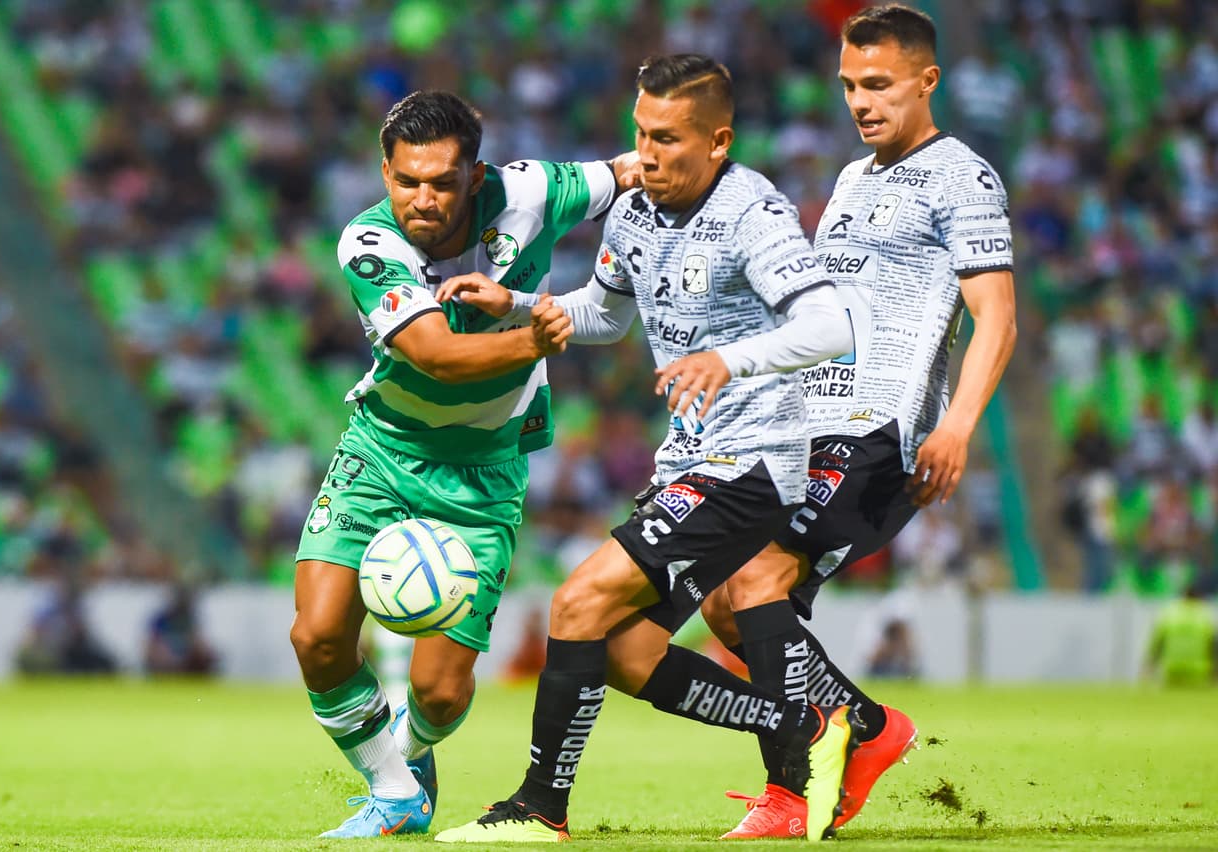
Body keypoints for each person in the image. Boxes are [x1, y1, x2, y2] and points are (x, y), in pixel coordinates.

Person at [432, 54, 856, 844]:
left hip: (755, 461)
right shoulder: (631, 214)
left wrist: (731, 360)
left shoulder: (751, 213)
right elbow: (607, 314)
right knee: (624, 651)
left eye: (667, 138)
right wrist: (523, 305)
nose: (647, 154)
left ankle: (538, 809)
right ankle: (807, 724)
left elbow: (831, 325)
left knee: (577, 603)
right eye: (639, 133)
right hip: (692, 462)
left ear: (718, 141)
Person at [700, 4, 1017, 838]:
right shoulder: (851, 180)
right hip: (807, 426)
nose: (860, 101)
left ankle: (797, 788)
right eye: (848, 85)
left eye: (877, 84)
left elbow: (999, 317)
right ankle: (866, 733)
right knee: (725, 601)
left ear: (927, 80)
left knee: (759, 580)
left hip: (882, 433)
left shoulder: (963, 178)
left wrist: (956, 428)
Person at [288, 90, 638, 838]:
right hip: (382, 451)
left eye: (442, 182)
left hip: (482, 472)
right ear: (385, 171)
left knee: (440, 695)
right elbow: (439, 357)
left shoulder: (535, 192)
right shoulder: (367, 243)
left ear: (474, 176)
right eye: (406, 179)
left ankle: (409, 757)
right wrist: (537, 335)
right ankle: (394, 789)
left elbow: (636, 167)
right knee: (316, 636)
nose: (421, 198)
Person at [1145, 583, 1216, 687]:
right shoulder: (1205, 615)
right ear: (1199, 598)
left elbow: (1157, 643)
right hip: (1198, 673)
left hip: (1172, 670)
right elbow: (1213, 647)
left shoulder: (1169, 613)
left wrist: (1148, 667)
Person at [143, 584, 218, 676]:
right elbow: (152, 643)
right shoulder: (161, 619)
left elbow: (198, 641)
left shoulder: (189, 619)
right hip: (165, 658)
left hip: (186, 658)